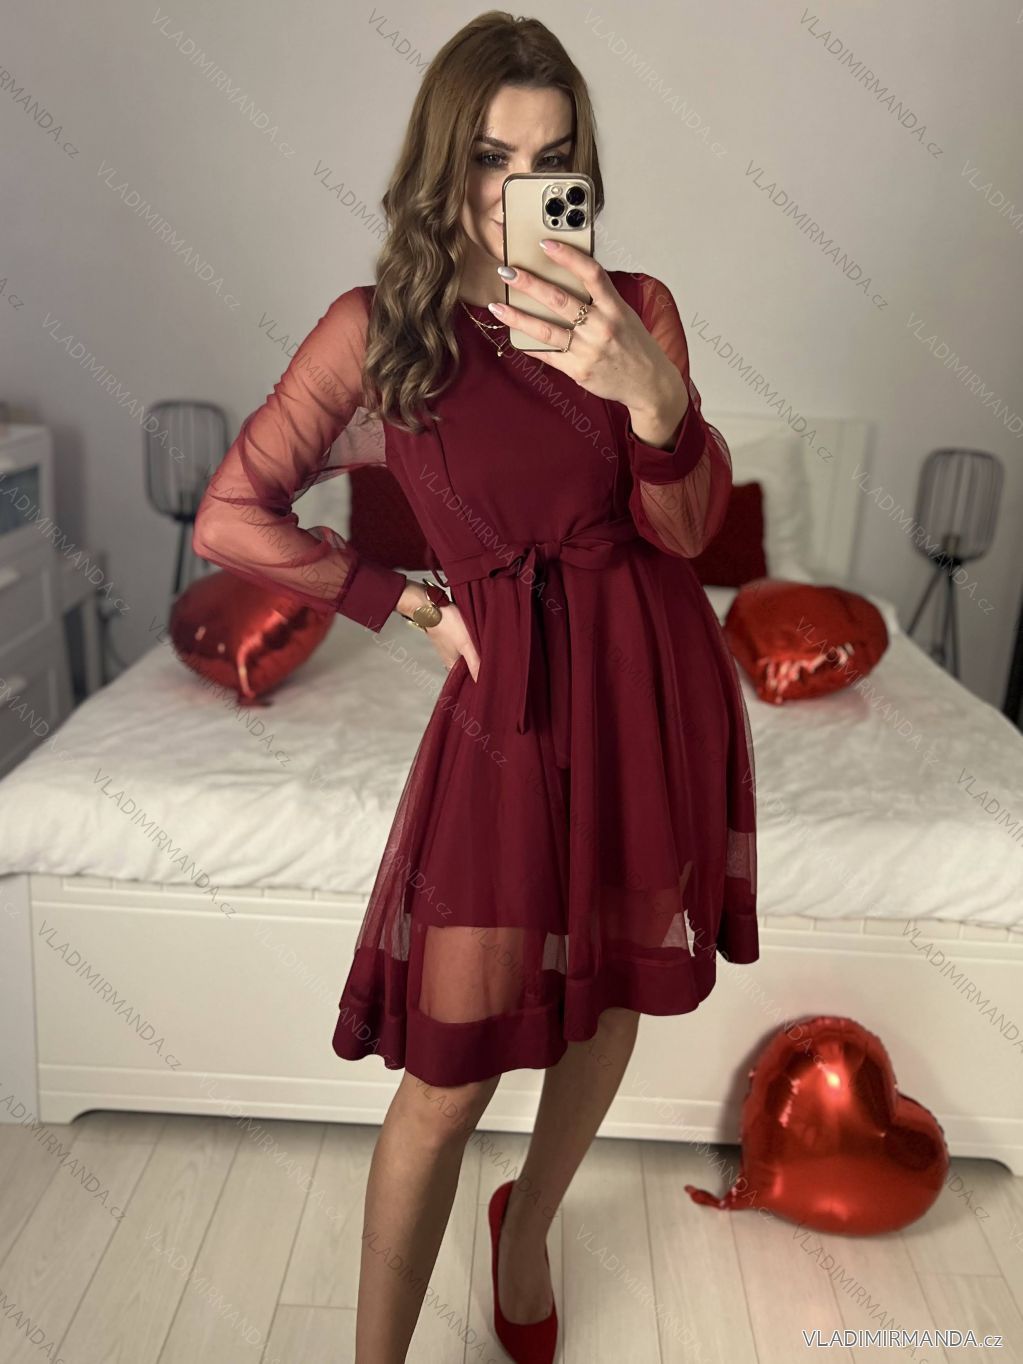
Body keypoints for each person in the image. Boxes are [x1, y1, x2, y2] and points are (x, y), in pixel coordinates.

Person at [192, 12, 758, 1362]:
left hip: (647, 688)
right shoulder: (378, 334)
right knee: (447, 1083)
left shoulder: (636, 311)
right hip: (512, 715)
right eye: (492, 158)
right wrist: (407, 603)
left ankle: (527, 1233)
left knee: (609, 1003)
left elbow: (688, 535)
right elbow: (231, 516)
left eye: (551, 161)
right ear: (443, 167)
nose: (518, 189)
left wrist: (651, 396)